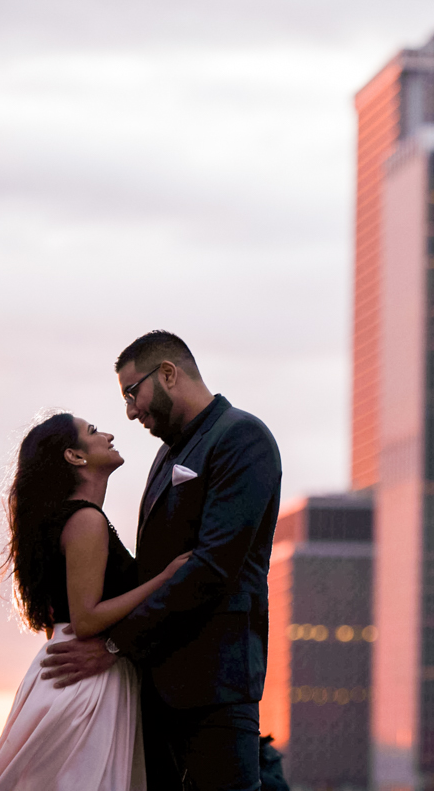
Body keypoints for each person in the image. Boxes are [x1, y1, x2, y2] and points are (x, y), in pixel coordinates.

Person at [39, 331, 284, 791]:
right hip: (153, 689)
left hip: (214, 688)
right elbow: (152, 570)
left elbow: (212, 569)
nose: (130, 412)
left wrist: (114, 646)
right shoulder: (165, 455)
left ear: (168, 373)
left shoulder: (241, 437)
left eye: (132, 393)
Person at [0, 413, 190, 790]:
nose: (108, 434)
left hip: (72, 672)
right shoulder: (86, 519)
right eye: (93, 432)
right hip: (84, 680)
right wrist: (164, 579)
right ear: (74, 456)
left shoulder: (70, 519)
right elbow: (86, 619)